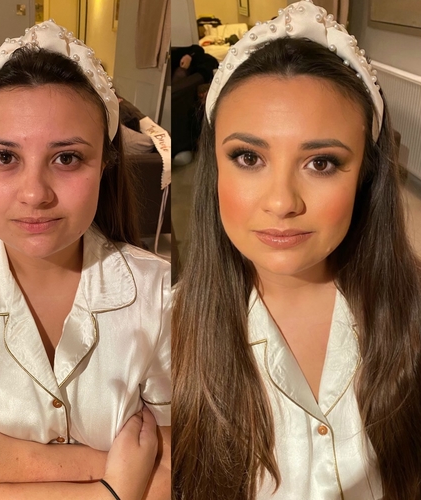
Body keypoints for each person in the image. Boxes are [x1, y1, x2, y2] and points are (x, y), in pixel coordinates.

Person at [172, 2, 421, 500]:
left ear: (365, 175)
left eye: (321, 163)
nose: (282, 202)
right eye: (249, 157)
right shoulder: (160, 331)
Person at [0, 20, 171, 499]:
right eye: (4, 157)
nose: (35, 194)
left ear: (105, 165)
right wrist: (112, 486)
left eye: (66, 158)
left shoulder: (162, 293)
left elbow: (175, 469)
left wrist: (1, 464)